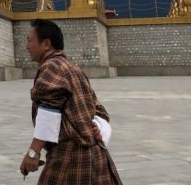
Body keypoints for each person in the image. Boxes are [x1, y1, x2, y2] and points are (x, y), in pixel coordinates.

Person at [20, 19, 122, 183]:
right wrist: (98, 126)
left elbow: (49, 114)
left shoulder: (52, 67)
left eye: (29, 40)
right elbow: (98, 109)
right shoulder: (73, 68)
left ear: (46, 44)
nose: (26, 46)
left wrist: (33, 153)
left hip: (69, 157)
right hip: (96, 156)